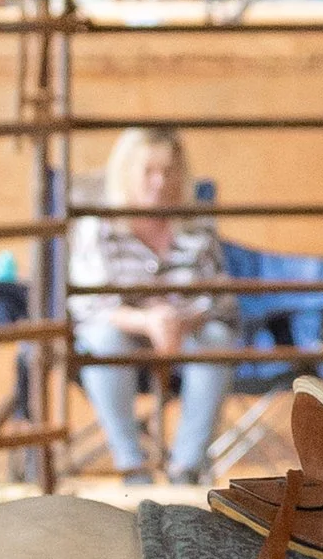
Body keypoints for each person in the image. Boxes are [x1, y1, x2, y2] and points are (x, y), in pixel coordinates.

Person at [69, 126, 239, 485]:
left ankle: (187, 468)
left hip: (187, 334)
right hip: (123, 333)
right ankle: (132, 466)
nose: (160, 182)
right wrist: (148, 322)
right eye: (148, 171)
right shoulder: (99, 227)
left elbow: (219, 296)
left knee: (218, 339)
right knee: (102, 341)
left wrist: (182, 321)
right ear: (126, 174)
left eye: (169, 170)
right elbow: (88, 305)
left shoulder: (196, 227)